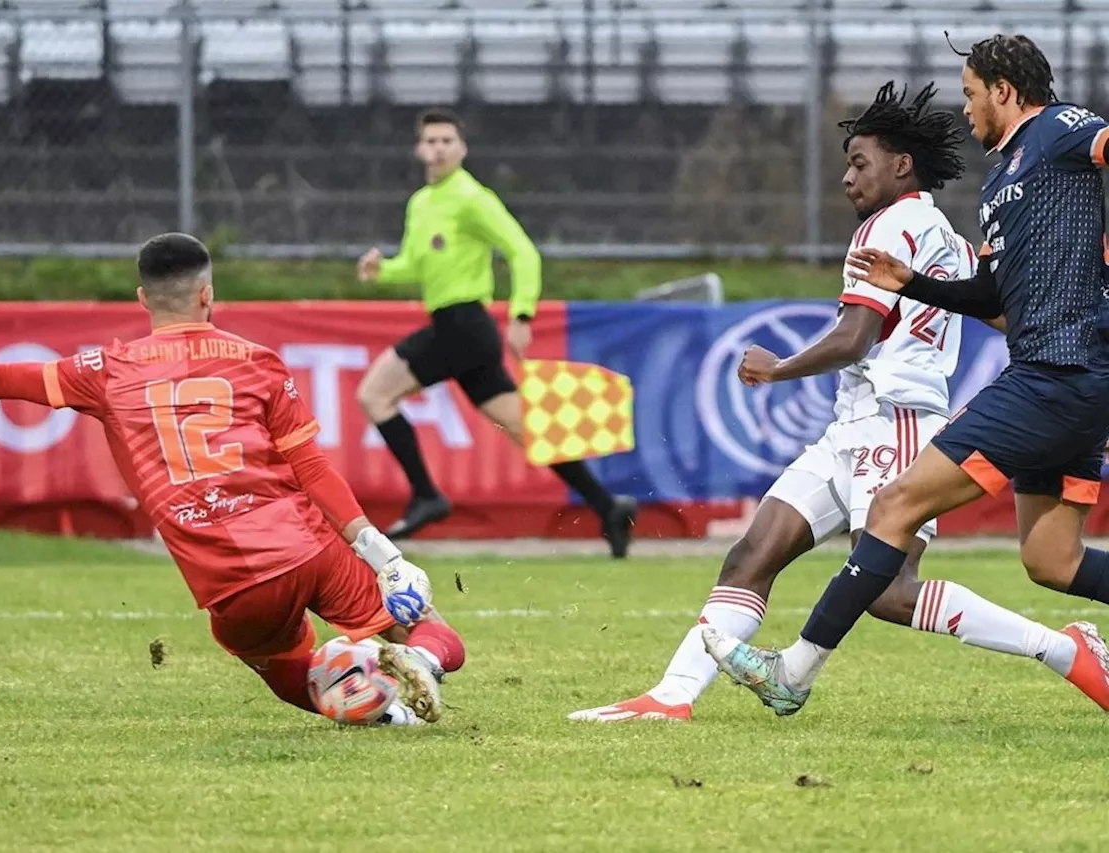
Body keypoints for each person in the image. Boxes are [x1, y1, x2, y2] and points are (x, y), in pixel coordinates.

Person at [571, 81, 1088, 722]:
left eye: (859, 162)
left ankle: (1063, 651)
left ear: (902, 165)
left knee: (893, 595)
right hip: (854, 425)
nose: (847, 178)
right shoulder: (945, 235)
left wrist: (777, 368)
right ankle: (672, 696)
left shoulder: (894, 224)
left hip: (895, 423)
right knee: (755, 552)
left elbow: (853, 338)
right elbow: (1002, 316)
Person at [0, 233, 465, 726]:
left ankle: (381, 711)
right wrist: (385, 557)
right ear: (208, 294)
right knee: (426, 622)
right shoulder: (257, 361)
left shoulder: (107, 369)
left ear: (141, 299)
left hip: (230, 584)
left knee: (285, 666)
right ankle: (424, 661)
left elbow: (0, 380)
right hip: (306, 547)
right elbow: (312, 467)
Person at [705, 35, 1109, 717]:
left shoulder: (1060, 128)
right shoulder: (1000, 186)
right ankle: (1082, 652)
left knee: (893, 508)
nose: (967, 108)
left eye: (971, 94)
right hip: (1067, 376)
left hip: (1057, 371)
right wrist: (912, 282)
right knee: (1052, 558)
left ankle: (793, 672)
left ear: (1005, 91)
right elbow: (991, 299)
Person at [355, 106, 637, 556]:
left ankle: (427, 494)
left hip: (464, 324)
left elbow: (524, 252)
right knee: (527, 430)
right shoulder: (421, 203)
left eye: (447, 140)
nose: (438, 148)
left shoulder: (472, 197)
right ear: (419, 148)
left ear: (462, 148)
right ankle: (607, 505)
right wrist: (382, 270)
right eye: (431, 140)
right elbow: (414, 263)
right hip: (459, 331)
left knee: (373, 394)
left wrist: (522, 315)